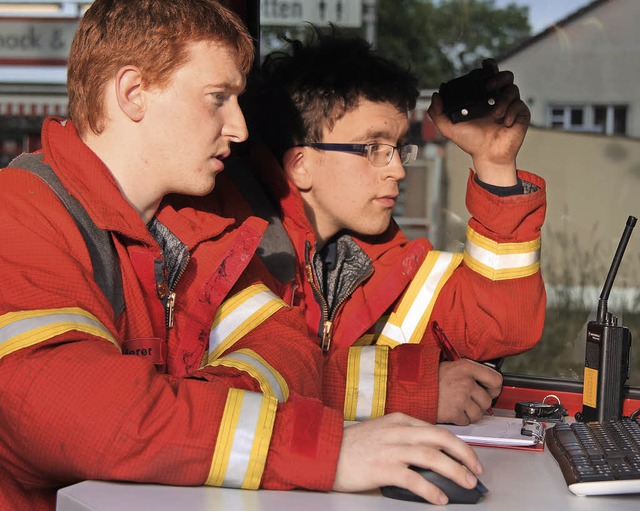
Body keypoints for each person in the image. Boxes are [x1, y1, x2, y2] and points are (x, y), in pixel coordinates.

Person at [0, 1, 484, 510]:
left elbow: (289, 354)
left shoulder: (204, 230)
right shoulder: (19, 213)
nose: (240, 128)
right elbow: (80, 418)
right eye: (218, 99)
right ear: (133, 92)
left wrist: (177, 410)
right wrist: (324, 451)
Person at [223, 28, 546, 426]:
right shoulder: (235, 254)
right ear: (300, 164)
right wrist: (416, 390)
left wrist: (495, 165)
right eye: (373, 149)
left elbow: (502, 327)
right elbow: (239, 390)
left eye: (397, 148)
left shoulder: (378, 261)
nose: (396, 170)